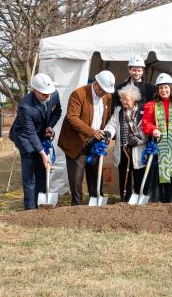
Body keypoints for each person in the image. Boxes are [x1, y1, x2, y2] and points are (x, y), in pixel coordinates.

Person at [58, 70, 115, 205]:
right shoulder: (79, 94)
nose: (104, 93)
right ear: (95, 84)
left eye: (106, 91)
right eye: (102, 90)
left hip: (94, 142)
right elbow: (72, 117)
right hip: (76, 141)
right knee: (77, 177)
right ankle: (77, 205)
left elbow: (106, 117)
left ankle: (95, 201)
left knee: (96, 173)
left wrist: (104, 133)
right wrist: (92, 131)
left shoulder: (107, 97)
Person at [9, 73, 62, 210]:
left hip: (39, 132)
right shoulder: (25, 107)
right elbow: (30, 133)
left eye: (49, 93)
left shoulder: (53, 94)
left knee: (41, 169)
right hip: (24, 136)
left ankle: (41, 201)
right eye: (44, 94)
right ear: (35, 91)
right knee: (30, 168)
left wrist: (50, 125)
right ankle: (30, 208)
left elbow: (58, 111)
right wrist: (43, 154)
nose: (48, 96)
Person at [104, 84, 148, 202]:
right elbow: (112, 124)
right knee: (124, 178)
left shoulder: (143, 111)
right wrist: (108, 132)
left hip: (138, 150)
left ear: (134, 99)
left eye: (126, 100)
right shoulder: (118, 111)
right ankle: (125, 201)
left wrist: (138, 140)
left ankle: (139, 200)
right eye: (122, 99)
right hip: (123, 150)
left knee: (138, 176)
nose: (124, 102)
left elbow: (146, 129)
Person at [141, 73, 172, 203]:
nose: (164, 90)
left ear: (171, 88)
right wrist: (154, 129)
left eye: (166, 87)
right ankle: (158, 199)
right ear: (157, 90)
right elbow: (145, 124)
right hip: (159, 145)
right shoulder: (151, 105)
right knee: (158, 172)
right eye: (161, 88)